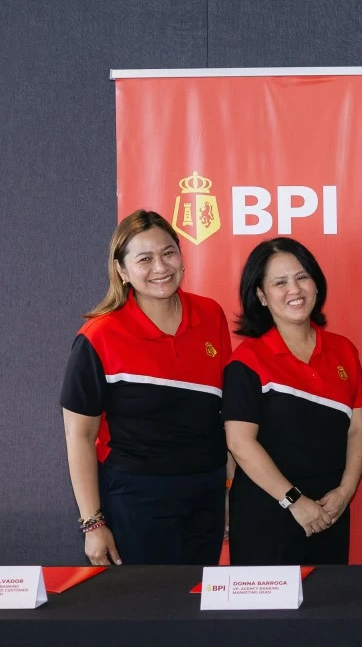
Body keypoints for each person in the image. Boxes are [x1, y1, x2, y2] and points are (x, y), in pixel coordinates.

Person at [60, 209, 230, 565]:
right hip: (135, 498)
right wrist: (93, 524)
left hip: (206, 492)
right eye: (145, 259)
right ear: (122, 270)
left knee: (197, 608)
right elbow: (80, 435)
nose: (161, 267)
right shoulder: (99, 336)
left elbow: (221, 413)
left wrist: (227, 491)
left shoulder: (212, 316)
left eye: (168, 252)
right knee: (150, 610)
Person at [223, 238, 362, 565]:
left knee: (329, 610)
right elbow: (240, 442)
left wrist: (345, 492)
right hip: (268, 514)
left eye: (302, 277)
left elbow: (358, 429)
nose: (295, 289)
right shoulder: (247, 360)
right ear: (261, 295)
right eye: (279, 282)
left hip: (330, 512)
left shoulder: (344, 350)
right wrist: (294, 501)